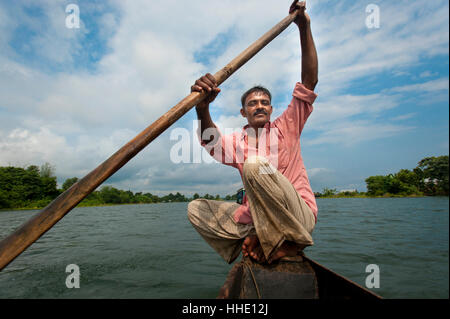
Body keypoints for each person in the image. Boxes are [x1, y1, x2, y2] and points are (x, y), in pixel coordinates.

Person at [187, 0, 318, 264]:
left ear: (271, 109)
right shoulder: (237, 142)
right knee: (196, 209)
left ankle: (289, 243)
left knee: (255, 166)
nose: (259, 105)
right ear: (243, 113)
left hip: (297, 215)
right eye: (252, 103)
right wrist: (202, 108)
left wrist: (304, 27)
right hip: (256, 217)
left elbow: (308, 81)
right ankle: (260, 236)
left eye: (264, 102)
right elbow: (209, 140)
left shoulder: (286, 127)